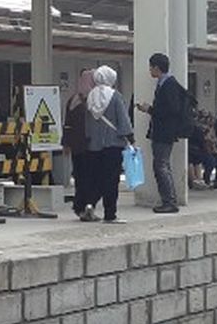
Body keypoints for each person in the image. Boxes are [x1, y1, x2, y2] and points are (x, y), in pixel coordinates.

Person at [135, 52, 189, 214]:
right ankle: (168, 199)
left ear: (157, 68)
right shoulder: (165, 83)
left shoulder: (169, 85)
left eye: (151, 67)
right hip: (162, 131)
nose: (149, 70)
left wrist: (149, 109)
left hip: (165, 132)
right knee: (162, 165)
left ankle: (169, 201)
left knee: (161, 165)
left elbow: (172, 109)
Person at [81, 66, 133, 223]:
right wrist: (130, 138)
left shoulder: (90, 97)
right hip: (113, 145)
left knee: (96, 178)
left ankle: (89, 206)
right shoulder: (115, 96)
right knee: (111, 180)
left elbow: (87, 123)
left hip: (94, 145)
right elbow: (123, 120)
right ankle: (110, 214)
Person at [63, 68, 94, 219]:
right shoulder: (93, 100)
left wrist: (66, 143)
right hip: (89, 146)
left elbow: (67, 123)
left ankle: (80, 206)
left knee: (80, 177)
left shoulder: (72, 100)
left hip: (76, 146)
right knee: (88, 178)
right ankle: (85, 207)